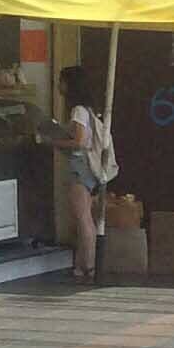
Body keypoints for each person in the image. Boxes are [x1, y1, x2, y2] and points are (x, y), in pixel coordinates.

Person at [53, 64, 118, 282]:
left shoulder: (78, 110)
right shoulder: (88, 110)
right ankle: (81, 266)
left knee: (83, 218)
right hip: (88, 169)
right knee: (84, 217)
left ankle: (89, 266)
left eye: (62, 81)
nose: (58, 85)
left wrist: (53, 141)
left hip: (81, 169)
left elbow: (80, 141)